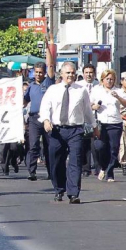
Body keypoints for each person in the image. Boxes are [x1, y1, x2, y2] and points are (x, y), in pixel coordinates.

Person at [39, 62, 99, 204]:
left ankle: (73, 193)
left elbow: (87, 111)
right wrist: (46, 120)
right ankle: (59, 189)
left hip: (75, 130)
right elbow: (45, 107)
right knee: (56, 161)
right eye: (67, 73)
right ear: (61, 74)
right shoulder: (53, 89)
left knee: (75, 161)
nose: (70, 75)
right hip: (57, 131)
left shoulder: (81, 90)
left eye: (72, 73)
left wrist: (94, 126)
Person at [90, 69, 126, 182]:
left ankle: (110, 172)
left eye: (111, 79)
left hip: (115, 122)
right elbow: (89, 104)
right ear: (102, 80)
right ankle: (103, 166)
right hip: (101, 123)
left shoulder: (118, 91)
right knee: (100, 147)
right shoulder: (96, 90)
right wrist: (94, 107)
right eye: (107, 79)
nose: (109, 81)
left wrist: (118, 97)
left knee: (114, 148)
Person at [23, 46, 55, 181]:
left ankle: (51, 172)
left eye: (41, 72)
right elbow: (24, 101)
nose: (38, 75)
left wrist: (49, 46)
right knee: (33, 145)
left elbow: (51, 65)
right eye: (36, 72)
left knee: (49, 147)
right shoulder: (30, 86)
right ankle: (32, 172)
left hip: (47, 118)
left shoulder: (49, 82)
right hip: (34, 119)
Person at [76, 63, 99, 177]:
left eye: (91, 73)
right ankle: (85, 168)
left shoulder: (99, 85)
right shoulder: (78, 85)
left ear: (94, 74)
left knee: (96, 144)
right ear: (83, 74)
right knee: (84, 144)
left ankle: (98, 167)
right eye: (86, 73)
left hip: (97, 117)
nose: (89, 75)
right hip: (82, 117)